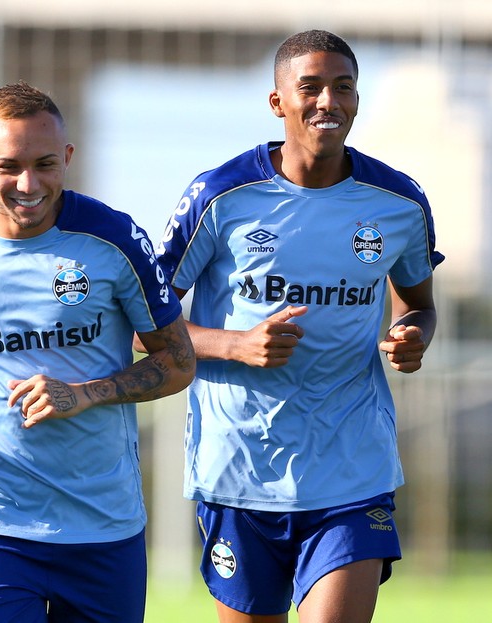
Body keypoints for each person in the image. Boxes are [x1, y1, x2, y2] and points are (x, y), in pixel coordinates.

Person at [152, 30, 443, 623]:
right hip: (239, 469)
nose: (327, 102)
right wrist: (237, 344)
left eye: (343, 88)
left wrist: (413, 333)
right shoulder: (219, 196)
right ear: (277, 101)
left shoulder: (398, 202)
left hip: (351, 467)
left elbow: (419, 302)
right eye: (309, 88)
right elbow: (145, 326)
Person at [0, 82, 195, 623]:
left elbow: (178, 361)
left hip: (104, 528)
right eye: (9, 167)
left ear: (67, 158)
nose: (28, 184)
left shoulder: (115, 241)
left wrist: (84, 394)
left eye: (45, 164)